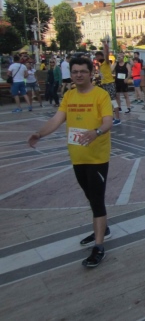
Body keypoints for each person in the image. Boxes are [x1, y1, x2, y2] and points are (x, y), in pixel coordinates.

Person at [27, 56, 114, 268]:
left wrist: (96, 132)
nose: (78, 75)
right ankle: (103, 228)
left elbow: (108, 121)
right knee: (90, 196)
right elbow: (57, 119)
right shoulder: (69, 95)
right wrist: (40, 133)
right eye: (75, 71)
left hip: (97, 158)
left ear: (90, 73)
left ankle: (99, 246)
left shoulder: (100, 95)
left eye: (82, 71)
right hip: (77, 156)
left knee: (97, 200)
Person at [95, 39, 122, 126]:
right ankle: (112, 117)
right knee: (108, 102)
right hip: (105, 84)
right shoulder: (101, 65)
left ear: (100, 56)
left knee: (113, 101)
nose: (96, 59)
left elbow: (106, 54)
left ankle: (117, 119)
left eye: (97, 57)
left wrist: (105, 45)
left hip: (109, 84)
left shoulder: (106, 62)